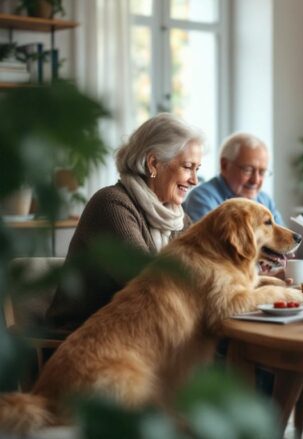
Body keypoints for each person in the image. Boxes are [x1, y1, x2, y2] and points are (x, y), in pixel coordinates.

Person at [46, 113, 203, 332]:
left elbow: (205, 265)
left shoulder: (177, 217)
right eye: (187, 167)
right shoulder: (112, 204)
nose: (194, 180)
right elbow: (148, 284)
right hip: (83, 340)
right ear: (154, 163)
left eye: (198, 169)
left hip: (139, 334)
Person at [183, 132, 283, 224]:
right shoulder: (202, 198)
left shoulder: (265, 200)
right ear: (225, 165)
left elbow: (284, 239)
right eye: (248, 170)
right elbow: (216, 243)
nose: (255, 180)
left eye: (262, 172)